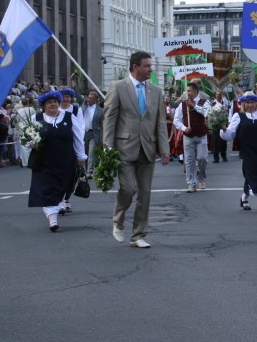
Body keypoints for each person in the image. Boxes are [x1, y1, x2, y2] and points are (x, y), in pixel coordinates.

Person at [103, 51, 171, 248]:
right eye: (147, 66)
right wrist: (107, 147)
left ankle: (138, 235)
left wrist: (164, 149)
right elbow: (110, 119)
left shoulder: (156, 91)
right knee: (128, 189)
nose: (151, 68)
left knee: (145, 194)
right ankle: (118, 220)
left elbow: (160, 122)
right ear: (135, 67)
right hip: (124, 148)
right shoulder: (118, 87)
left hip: (147, 148)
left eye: (150, 65)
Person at [26, 91, 86, 231]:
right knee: (47, 189)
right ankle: (52, 220)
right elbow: (26, 138)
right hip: (43, 162)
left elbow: (78, 138)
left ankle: (60, 204)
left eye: (55, 102)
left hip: (65, 161)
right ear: (43, 106)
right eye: (49, 102)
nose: (53, 104)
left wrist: (81, 157)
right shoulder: (36, 118)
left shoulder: (70, 117)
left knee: (62, 187)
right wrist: (30, 144)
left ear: (59, 104)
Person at [221, 92, 257, 213]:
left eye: (252, 102)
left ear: (256, 103)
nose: (250, 105)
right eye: (247, 103)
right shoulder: (238, 116)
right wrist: (223, 129)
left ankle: (244, 198)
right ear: (243, 104)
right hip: (247, 150)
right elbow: (230, 134)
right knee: (251, 172)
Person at [173, 81, 211, 193]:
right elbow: (176, 120)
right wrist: (184, 128)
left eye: (189, 91)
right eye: (187, 91)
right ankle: (191, 183)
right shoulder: (182, 104)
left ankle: (202, 178)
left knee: (202, 158)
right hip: (188, 136)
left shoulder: (204, 102)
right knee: (189, 161)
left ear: (195, 91)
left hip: (201, 135)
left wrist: (194, 107)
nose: (187, 93)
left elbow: (208, 113)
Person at [83, 90, 103, 176]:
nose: (88, 99)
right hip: (83, 133)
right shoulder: (83, 106)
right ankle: (85, 170)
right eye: (88, 97)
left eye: (90, 98)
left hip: (94, 134)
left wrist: (102, 138)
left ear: (95, 99)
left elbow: (102, 125)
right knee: (85, 153)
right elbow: (77, 95)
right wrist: (74, 84)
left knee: (91, 153)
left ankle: (89, 171)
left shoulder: (101, 110)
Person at [211, 90, 230, 163]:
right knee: (215, 141)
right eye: (217, 94)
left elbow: (227, 112)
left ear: (221, 95)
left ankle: (224, 155)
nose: (218, 96)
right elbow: (211, 113)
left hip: (223, 123)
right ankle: (216, 158)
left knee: (223, 140)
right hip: (215, 123)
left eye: (219, 94)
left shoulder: (225, 102)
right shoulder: (213, 103)